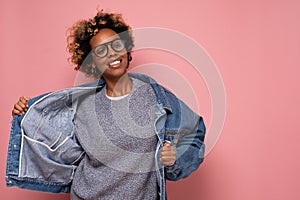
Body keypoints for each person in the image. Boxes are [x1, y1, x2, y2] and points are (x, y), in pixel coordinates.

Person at [7, 9, 206, 200]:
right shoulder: (82, 106)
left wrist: (174, 160)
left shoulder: (155, 95)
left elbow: (195, 133)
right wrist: (27, 113)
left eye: (116, 45)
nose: (111, 53)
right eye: (101, 51)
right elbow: (52, 142)